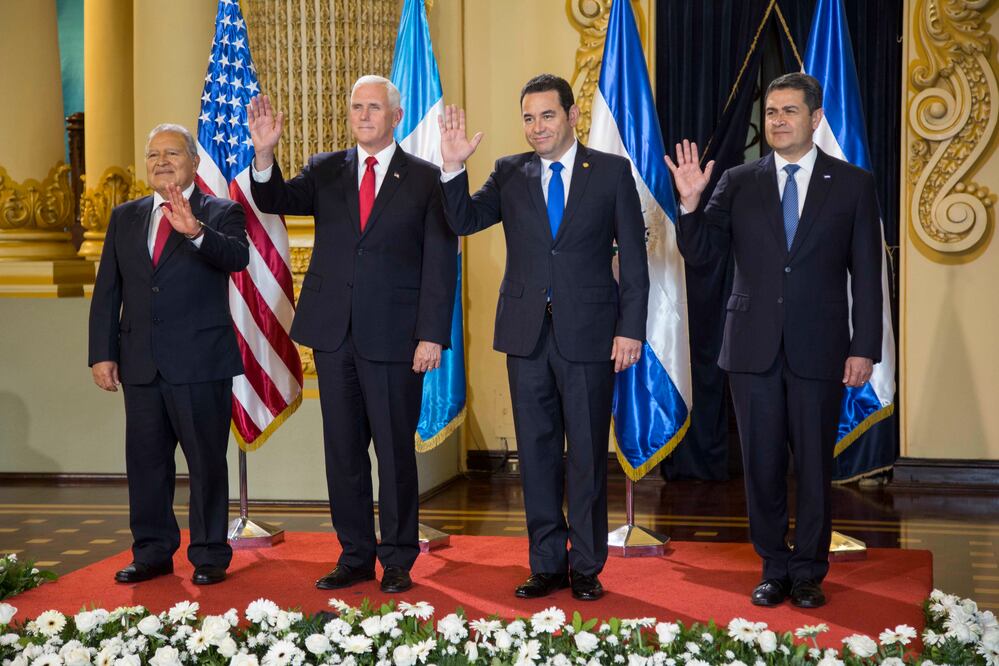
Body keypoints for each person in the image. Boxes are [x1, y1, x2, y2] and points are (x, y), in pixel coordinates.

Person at [666, 72, 883, 608]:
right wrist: (691, 205)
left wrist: (865, 347)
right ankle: (773, 566)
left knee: (813, 465)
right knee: (761, 464)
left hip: (822, 345)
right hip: (751, 347)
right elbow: (703, 256)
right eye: (770, 113)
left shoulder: (853, 183)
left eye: (789, 111)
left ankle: (809, 571)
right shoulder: (739, 180)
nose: (777, 121)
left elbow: (869, 274)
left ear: (815, 118)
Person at [438, 74, 649, 601]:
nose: (536, 127)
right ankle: (546, 563)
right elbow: (463, 219)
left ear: (572, 115)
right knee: (534, 454)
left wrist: (630, 330)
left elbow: (637, 263)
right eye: (528, 118)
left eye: (547, 116)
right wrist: (453, 167)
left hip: (591, 335)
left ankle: (587, 566)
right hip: (526, 335)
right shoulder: (509, 172)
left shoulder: (611, 171)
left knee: (585, 457)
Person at [247, 75, 457, 594]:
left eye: (374, 108)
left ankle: (400, 559)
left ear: (395, 116)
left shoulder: (426, 179)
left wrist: (431, 334)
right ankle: (355, 555)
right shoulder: (326, 169)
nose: (363, 116)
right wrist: (265, 154)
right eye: (356, 107)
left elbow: (440, 263)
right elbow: (275, 197)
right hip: (334, 335)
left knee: (394, 454)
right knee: (342, 454)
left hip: (397, 338)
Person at [88, 124, 249, 586]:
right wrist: (103, 353)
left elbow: (238, 258)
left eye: (172, 153)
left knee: (205, 463)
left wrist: (196, 232)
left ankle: (209, 555)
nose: (161, 161)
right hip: (139, 363)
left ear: (193, 162)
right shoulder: (126, 216)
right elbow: (108, 291)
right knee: (146, 464)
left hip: (200, 363)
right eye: (153, 154)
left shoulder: (221, 212)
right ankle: (153, 551)